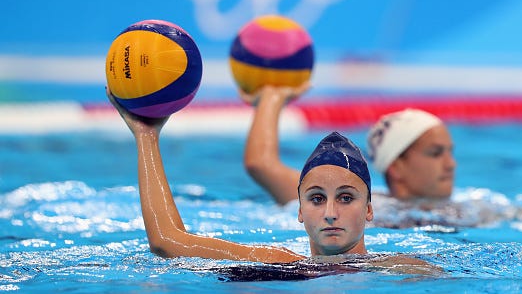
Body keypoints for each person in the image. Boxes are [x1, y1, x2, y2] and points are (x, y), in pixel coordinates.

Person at [106, 88, 435, 275]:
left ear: (369, 210)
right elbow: (167, 242)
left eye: (346, 198)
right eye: (317, 199)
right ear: (300, 211)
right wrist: (146, 136)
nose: (331, 212)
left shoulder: (401, 268)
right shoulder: (276, 261)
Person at [241, 84, 456, 206]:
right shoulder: (351, 205)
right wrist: (272, 96)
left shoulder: (476, 209)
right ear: (396, 167)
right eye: (436, 153)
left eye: (450, 152)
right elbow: (261, 164)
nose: (451, 164)